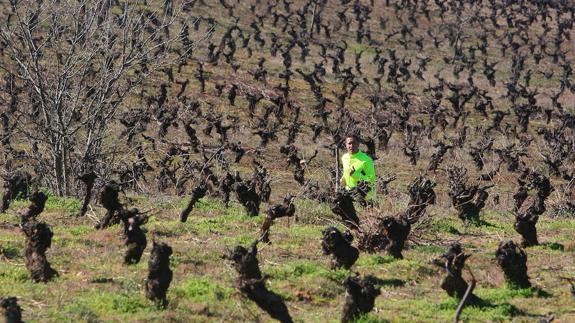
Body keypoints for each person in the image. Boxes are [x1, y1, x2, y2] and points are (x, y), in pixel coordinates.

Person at [340, 135, 376, 199]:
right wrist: (343, 179)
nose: (351, 146)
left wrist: (355, 175)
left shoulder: (366, 159)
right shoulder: (344, 157)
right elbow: (346, 173)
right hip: (349, 195)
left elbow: (371, 180)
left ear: (358, 144)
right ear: (345, 144)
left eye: (354, 143)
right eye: (349, 143)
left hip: (365, 197)